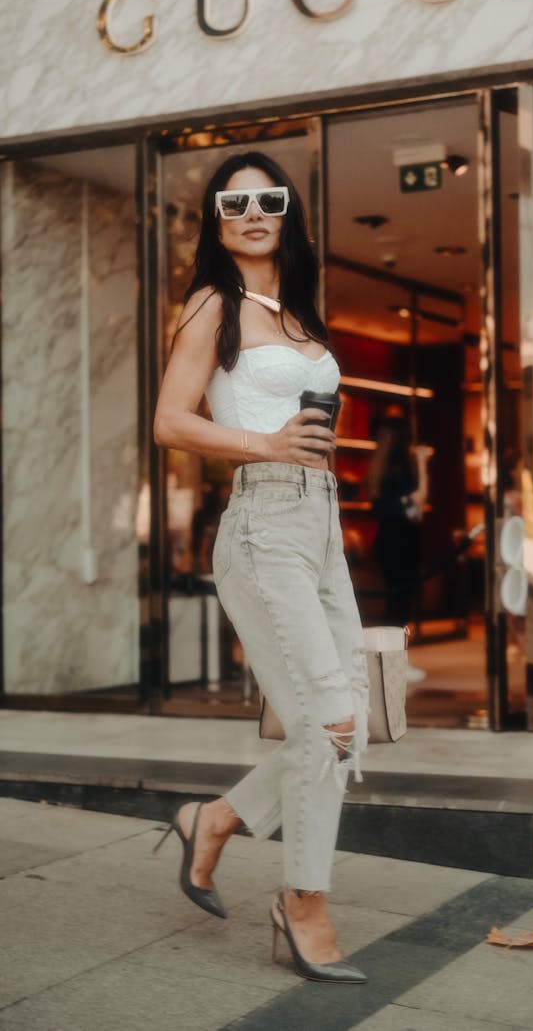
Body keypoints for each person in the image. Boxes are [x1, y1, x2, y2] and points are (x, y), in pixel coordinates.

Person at [153, 151, 369, 984]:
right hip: (262, 523)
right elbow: (172, 420)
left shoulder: (299, 312)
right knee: (328, 721)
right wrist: (266, 444)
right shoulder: (215, 302)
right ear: (215, 218)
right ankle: (304, 905)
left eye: (266, 198)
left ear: (287, 211)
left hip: (321, 523)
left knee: (346, 720)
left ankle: (212, 819)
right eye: (232, 201)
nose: (251, 211)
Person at [368, 411, 431, 629]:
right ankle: (392, 655)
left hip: (389, 541)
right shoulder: (399, 471)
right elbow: (418, 501)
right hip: (401, 543)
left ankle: (391, 655)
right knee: (400, 605)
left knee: (396, 603)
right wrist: (422, 464)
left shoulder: (381, 471)